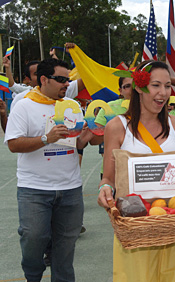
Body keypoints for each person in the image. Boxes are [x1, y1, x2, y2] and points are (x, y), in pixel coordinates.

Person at [97, 60, 175, 282]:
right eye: (155, 85)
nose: (163, 93)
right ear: (139, 87)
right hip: (137, 227)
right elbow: (109, 177)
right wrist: (105, 188)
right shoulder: (117, 126)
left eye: (166, 86)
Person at [4, 58, 93, 282]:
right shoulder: (23, 104)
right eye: (61, 80)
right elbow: (14, 144)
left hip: (70, 188)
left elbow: (77, 144)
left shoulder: (72, 105)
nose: (66, 84)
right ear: (43, 80)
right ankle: (33, 275)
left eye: (68, 80)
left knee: (65, 248)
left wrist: (89, 135)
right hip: (34, 188)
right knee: (33, 238)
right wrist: (46, 138)